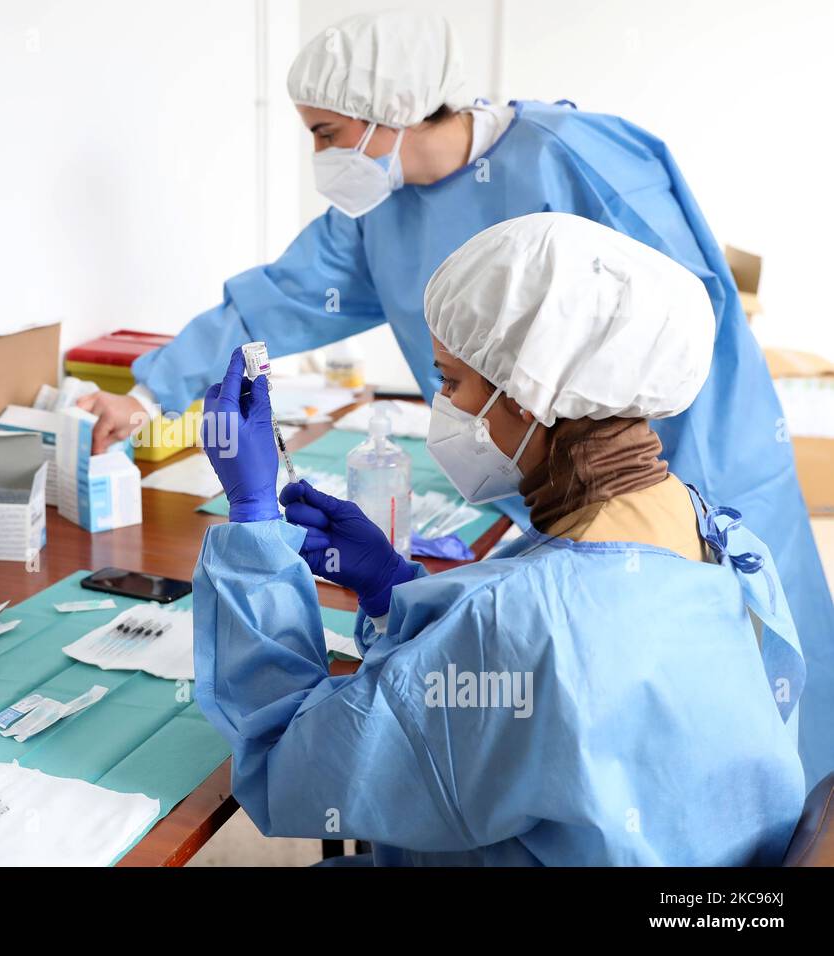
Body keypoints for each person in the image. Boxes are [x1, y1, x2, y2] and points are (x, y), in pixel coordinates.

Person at [77, 10, 834, 784]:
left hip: (694, 476)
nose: (320, 157)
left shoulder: (571, 159)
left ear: (389, 107)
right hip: (569, 499)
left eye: (326, 132)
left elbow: (296, 765)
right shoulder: (379, 211)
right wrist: (149, 391)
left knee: (743, 707)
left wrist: (252, 539)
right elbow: (278, 298)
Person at [191, 213, 806, 866]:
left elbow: (289, 769)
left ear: (527, 398)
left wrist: (254, 522)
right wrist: (393, 586)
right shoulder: (726, 543)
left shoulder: (518, 621)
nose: (443, 404)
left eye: (452, 382)